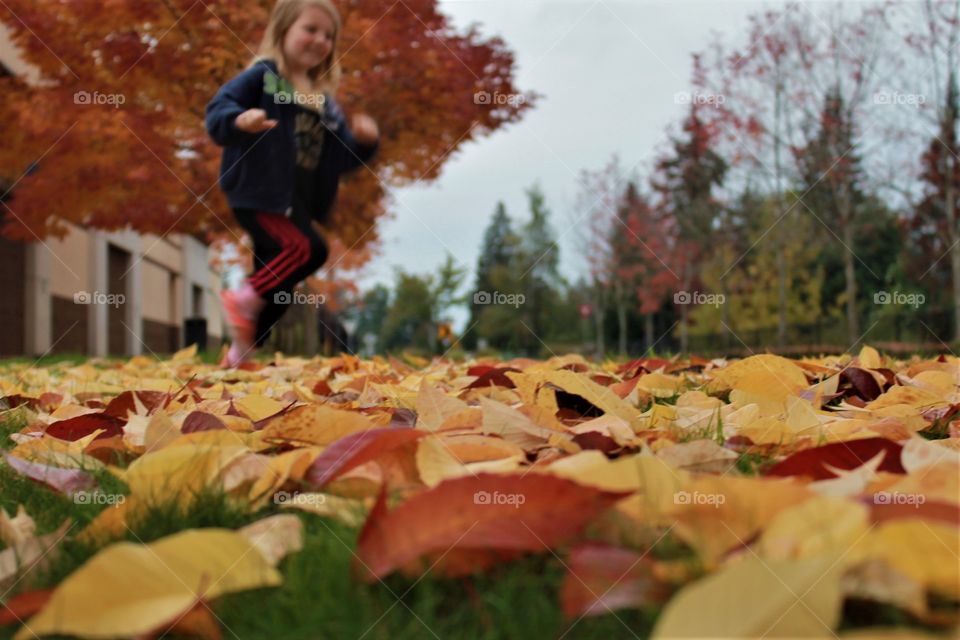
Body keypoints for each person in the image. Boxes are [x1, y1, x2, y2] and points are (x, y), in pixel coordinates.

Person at [205, 0, 379, 367]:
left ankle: (240, 352)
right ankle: (243, 297)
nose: (320, 40)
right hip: (259, 191)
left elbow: (341, 159)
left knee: (279, 282)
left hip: (295, 199)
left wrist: (364, 143)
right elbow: (219, 107)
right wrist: (240, 120)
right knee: (308, 249)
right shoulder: (264, 76)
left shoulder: (324, 102)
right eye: (310, 29)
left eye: (329, 35)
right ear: (284, 31)